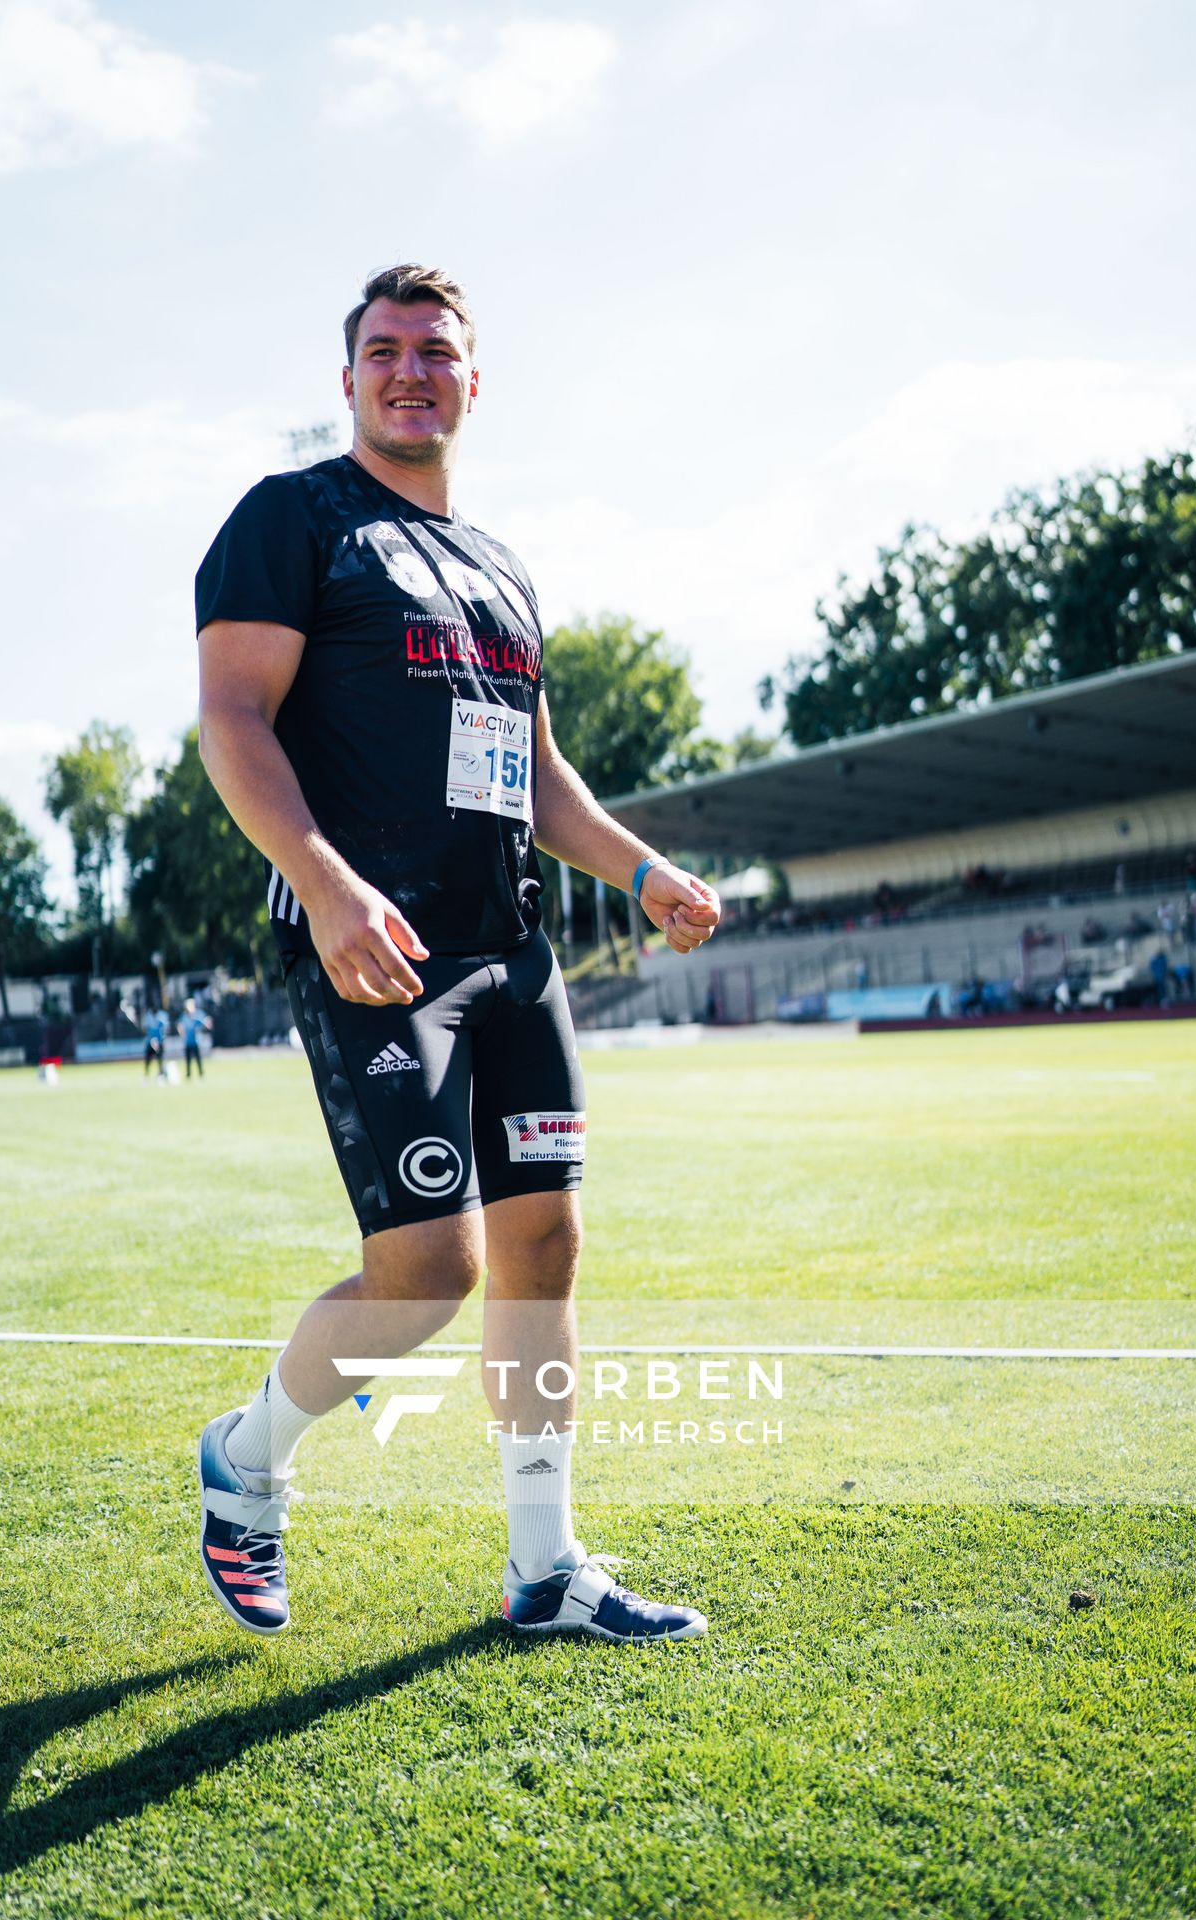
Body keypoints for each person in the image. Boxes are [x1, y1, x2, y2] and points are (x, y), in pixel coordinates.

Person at [193, 265, 720, 1643]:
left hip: (510, 946)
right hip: (377, 945)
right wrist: (325, 886)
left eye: (436, 351)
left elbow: (536, 775)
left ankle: (545, 1569)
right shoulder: (294, 519)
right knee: (431, 1267)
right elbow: (233, 721)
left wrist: (644, 871)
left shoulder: (500, 569)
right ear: (349, 379)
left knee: (545, 1243)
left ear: (473, 383)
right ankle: (245, 1466)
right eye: (384, 351)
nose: (410, 370)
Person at [181, 997, 211, 1079]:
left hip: (195, 1041)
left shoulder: (197, 1014)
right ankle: (188, 1075)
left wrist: (207, 1024)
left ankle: (201, 1074)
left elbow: (206, 1022)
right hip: (187, 1041)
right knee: (188, 1060)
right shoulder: (184, 1016)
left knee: (198, 1059)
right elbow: (181, 1026)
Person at [144, 1006, 167, 1078]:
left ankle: (161, 1074)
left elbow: (163, 1030)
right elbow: (145, 1028)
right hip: (150, 1042)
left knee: (160, 1059)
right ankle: (146, 1074)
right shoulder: (148, 1016)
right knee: (148, 1059)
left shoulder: (161, 1016)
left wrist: (160, 1041)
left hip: (159, 1042)